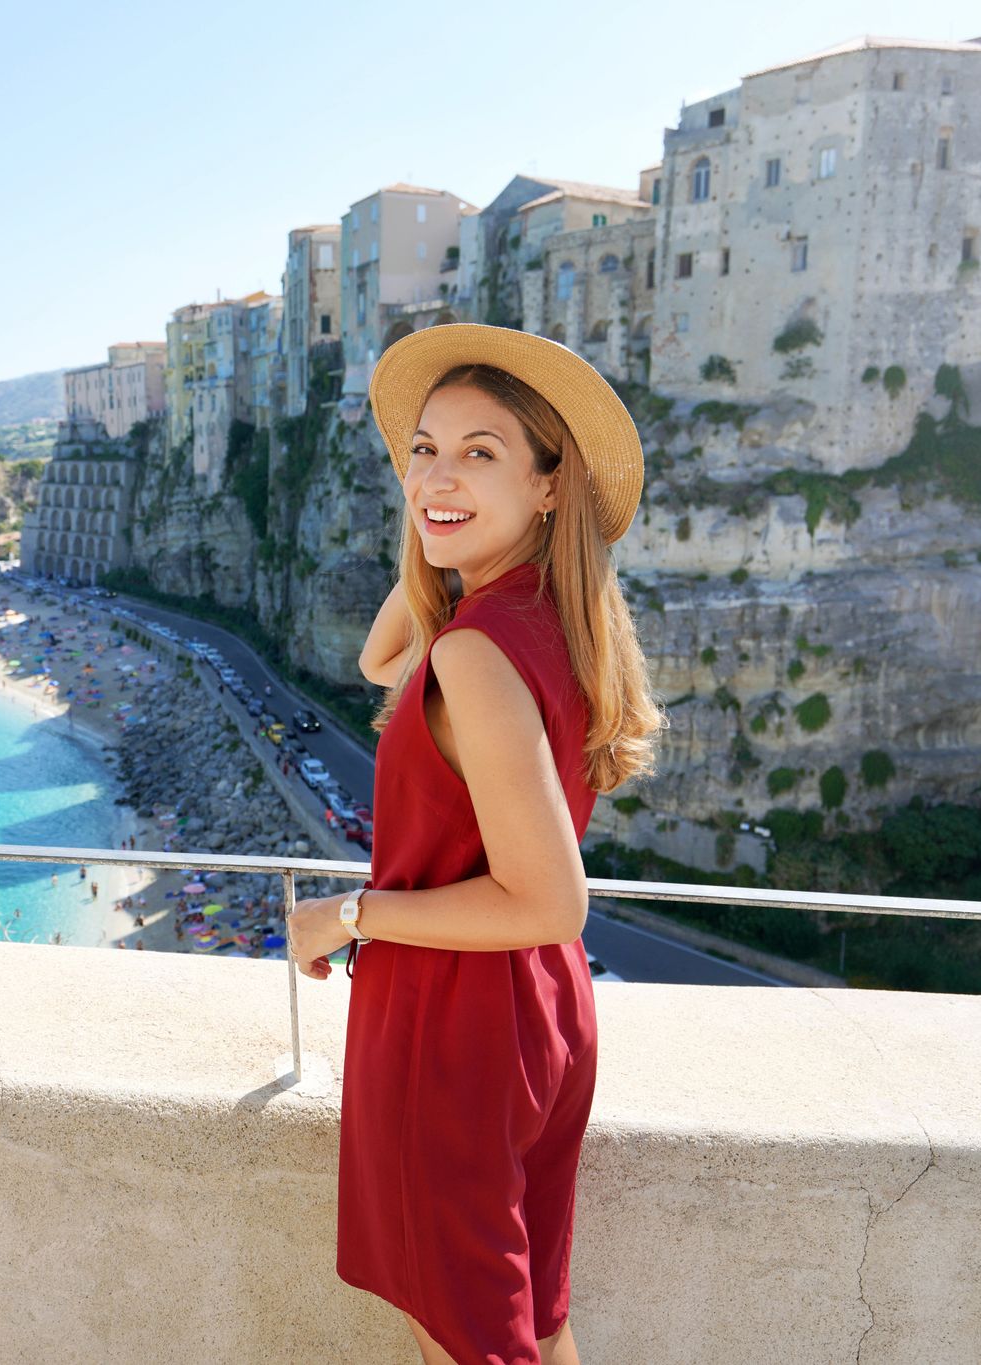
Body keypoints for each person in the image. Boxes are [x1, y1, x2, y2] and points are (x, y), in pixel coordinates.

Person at [287, 324, 666, 1365]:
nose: (433, 473)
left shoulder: (473, 656)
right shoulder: (543, 617)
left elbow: (549, 899)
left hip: (450, 1029)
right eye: (420, 448)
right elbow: (378, 659)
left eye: (480, 451)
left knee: (465, 1345)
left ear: (551, 487)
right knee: (534, 1325)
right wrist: (443, 524)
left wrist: (346, 916)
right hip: (538, 1014)